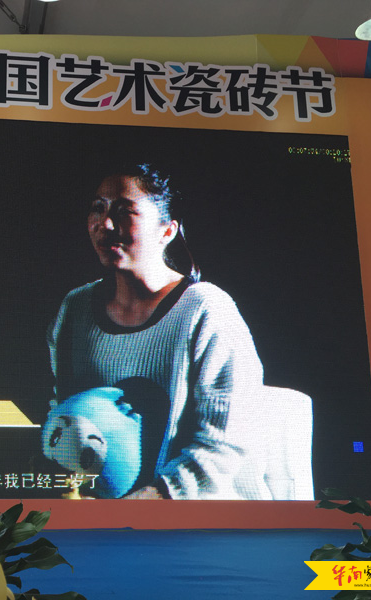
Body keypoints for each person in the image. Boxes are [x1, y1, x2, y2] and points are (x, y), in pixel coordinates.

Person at [47, 164, 268, 499]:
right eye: (98, 208)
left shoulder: (206, 310)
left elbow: (225, 444)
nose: (106, 224)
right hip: (96, 513)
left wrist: (147, 502)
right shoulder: (75, 308)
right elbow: (63, 412)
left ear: (167, 231)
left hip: (194, 514)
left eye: (124, 211)